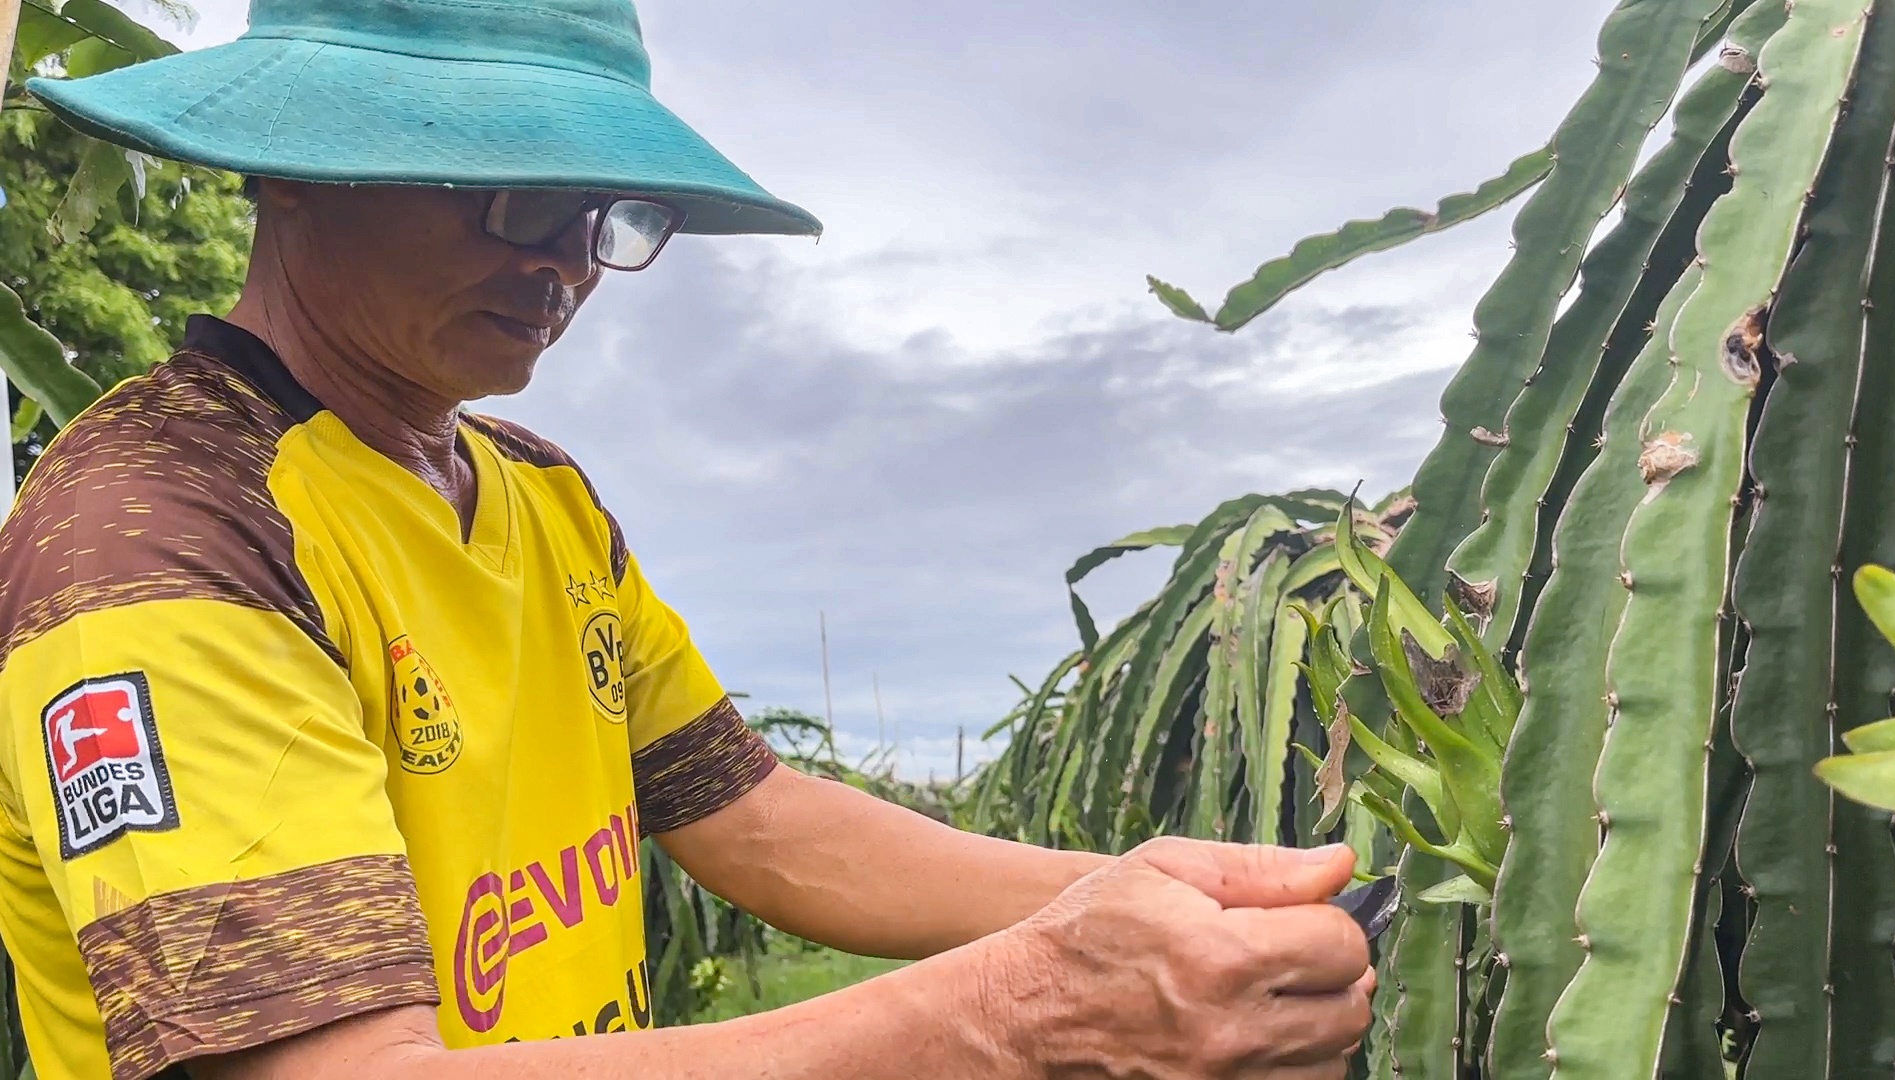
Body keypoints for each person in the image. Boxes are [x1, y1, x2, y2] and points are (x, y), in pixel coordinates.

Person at [0, 1, 1374, 1077]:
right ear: (292, 169)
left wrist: (1136, 895)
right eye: (513, 191)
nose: (566, 263)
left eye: (605, 214)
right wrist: (1024, 1013)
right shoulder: (163, 537)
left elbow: (759, 823)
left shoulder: (541, 497)